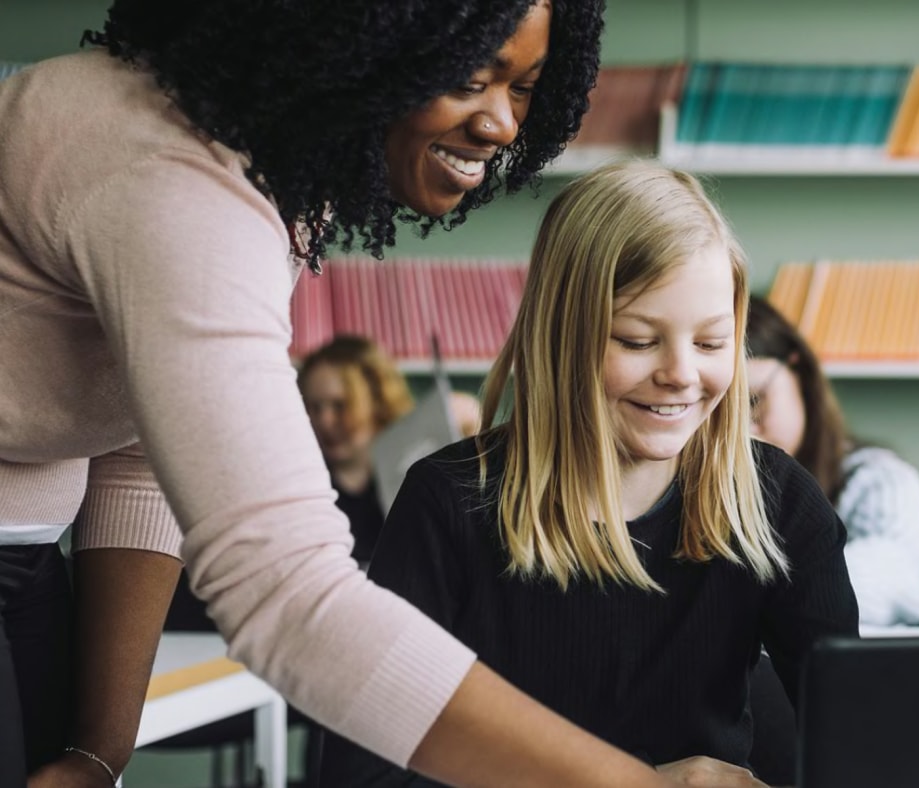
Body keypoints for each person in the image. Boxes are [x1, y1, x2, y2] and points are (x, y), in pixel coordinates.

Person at [0, 0, 766, 784]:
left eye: (525, 87)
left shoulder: (266, 174)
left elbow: (139, 446)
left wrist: (98, 752)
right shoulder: (178, 189)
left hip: (28, 556)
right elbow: (290, 598)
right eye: (471, 77)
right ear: (356, 42)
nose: (501, 124)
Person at [320, 160, 860, 785]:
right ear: (561, 336)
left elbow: (862, 750)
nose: (682, 374)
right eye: (636, 340)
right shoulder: (448, 503)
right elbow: (365, 774)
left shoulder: (780, 502)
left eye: (712, 343)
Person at [744, 295, 919, 627]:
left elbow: (898, 581)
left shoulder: (877, 480)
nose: (742, 432)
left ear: (799, 373)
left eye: (754, 400)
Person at [299, 335, 416, 564]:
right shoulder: (303, 488)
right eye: (314, 407)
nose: (325, 420)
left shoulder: (413, 478)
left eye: (340, 405)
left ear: (378, 402)